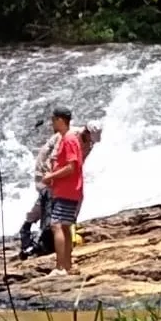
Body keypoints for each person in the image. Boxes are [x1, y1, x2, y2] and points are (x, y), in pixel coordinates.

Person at [18, 120, 101, 259]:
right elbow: (53, 159)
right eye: (90, 138)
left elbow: (78, 164)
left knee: (70, 201)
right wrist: (52, 177)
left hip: (64, 175)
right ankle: (28, 229)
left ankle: (62, 231)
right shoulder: (69, 138)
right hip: (47, 171)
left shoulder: (88, 144)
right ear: (86, 131)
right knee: (48, 199)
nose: (91, 142)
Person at [41, 106, 84, 276]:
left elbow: (71, 167)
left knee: (56, 225)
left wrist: (51, 175)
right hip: (68, 190)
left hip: (67, 190)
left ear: (60, 120)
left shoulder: (69, 139)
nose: (52, 123)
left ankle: (60, 267)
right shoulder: (69, 138)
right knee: (65, 227)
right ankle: (67, 265)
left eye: (53, 120)